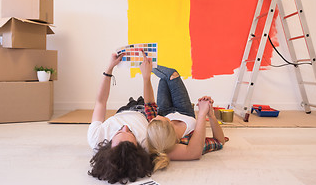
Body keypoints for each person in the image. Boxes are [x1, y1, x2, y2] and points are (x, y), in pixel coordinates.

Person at [140, 52, 226, 171]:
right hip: (184, 111)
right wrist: (210, 115)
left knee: (164, 80)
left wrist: (146, 76)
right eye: (158, 118)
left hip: (165, 109)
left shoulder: (156, 133)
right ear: (170, 124)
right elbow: (219, 141)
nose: (154, 116)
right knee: (172, 74)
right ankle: (146, 64)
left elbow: (149, 104)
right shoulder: (188, 140)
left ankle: (144, 65)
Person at [87, 53, 154, 184]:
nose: (125, 126)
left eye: (118, 131)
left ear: (108, 145)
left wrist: (109, 68)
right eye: (131, 133)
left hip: (123, 110)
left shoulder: (96, 138)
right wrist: (146, 78)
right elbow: (151, 107)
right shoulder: (147, 144)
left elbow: (100, 102)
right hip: (144, 112)